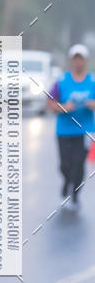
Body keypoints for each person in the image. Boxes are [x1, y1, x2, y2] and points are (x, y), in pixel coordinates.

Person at [47, 43, 95, 210]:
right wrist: (64, 107)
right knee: (65, 164)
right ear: (71, 61)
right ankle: (67, 181)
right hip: (64, 130)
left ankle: (75, 195)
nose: (78, 62)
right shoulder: (61, 81)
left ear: (86, 61)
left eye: (81, 59)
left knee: (79, 164)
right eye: (75, 59)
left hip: (85, 131)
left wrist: (92, 104)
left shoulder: (93, 80)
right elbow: (50, 103)